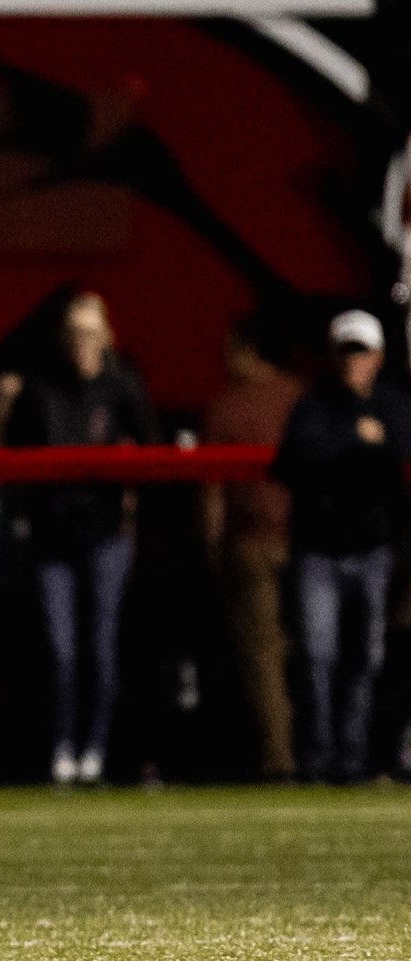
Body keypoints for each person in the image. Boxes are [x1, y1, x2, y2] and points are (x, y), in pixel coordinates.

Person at [4, 292, 157, 785]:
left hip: (106, 534)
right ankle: (61, 748)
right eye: (75, 332)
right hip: (52, 539)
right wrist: (20, 522)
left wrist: (133, 507)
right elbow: (12, 462)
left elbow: (154, 454)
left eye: (92, 332)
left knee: (102, 647)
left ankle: (95, 750)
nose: (83, 343)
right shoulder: (39, 390)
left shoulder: (123, 389)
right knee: (59, 649)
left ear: (107, 336)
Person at [272, 310, 411, 784]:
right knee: (317, 656)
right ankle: (318, 756)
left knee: (365, 658)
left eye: (362, 351)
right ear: (333, 356)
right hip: (320, 550)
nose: (355, 361)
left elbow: (397, 453)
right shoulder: (313, 405)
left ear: (378, 357)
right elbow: (294, 459)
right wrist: (356, 440)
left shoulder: (393, 405)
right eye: (347, 351)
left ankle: (352, 758)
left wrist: (353, 449)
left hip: (372, 549)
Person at [200, 320, 303, 782]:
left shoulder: (227, 408)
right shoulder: (301, 397)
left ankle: (279, 758)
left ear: (249, 351)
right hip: (306, 544)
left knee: (263, 657)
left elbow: (212, 494)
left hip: (252, 544)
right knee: (313, 652)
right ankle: (323, 748)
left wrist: (212, 551)